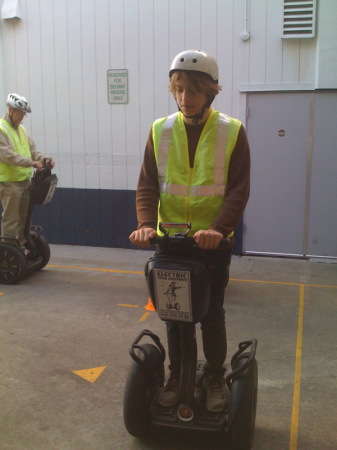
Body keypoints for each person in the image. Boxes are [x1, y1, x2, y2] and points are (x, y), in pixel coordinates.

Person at [129, 50, 250, 413]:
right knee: (173, 313)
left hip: (211, 244)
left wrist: (219, 229)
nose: (185, 97)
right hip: (170, 241)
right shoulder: (160, 129)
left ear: (210, 92)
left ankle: (214, 375)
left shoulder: (232, 131)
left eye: (193, 90)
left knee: (210, 312)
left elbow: (238, 189)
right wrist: (145, 224)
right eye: (179, 89)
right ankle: (177, 373)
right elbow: (148, 185)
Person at [0, 93, 55, 250]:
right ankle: (8, 252)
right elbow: (7, 156)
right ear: (10, 110)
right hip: (9, 183)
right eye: (20, 113)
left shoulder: (22, 130)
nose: (22, 117)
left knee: (24, 219)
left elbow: (32, 150)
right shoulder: (1, 129)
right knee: (11, 219)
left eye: (24, 114)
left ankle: (23, 248)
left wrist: (44, 160)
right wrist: (31, 163)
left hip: (25, 182)